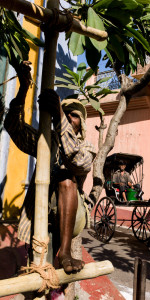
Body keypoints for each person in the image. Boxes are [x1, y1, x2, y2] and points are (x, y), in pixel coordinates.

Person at [4, 61, 96, 273]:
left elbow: (77, 161)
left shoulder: (87, 147)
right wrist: (24, 89)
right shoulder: (46, 140)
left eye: (74, 115)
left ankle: (65, 251)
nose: (68, 117)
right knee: (39, 272)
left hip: (72, 217)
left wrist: (60, 117)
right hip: (41, 213)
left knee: (66, 178)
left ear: (80, 124)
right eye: (66, 112)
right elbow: (13, 126)